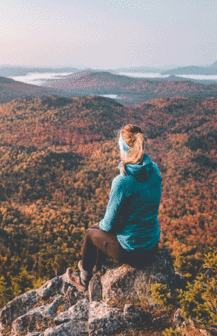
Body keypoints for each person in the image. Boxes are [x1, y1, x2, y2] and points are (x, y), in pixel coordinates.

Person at [66, 124, 162, 292]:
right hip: (151, 242)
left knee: (91, 233)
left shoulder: (122, 182)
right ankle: (95, 267)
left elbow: (109, 225)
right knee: (100, 229)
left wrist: (99, 225)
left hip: (134, 250)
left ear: (124, 149)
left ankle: (84, 280)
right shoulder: (153, 170)